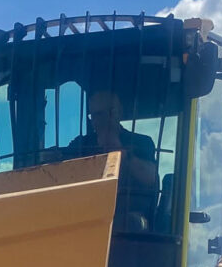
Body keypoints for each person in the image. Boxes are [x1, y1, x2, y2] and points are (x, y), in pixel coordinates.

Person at [64, 90, 158, 225]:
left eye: (99, 114)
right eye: (92, 116)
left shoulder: (141, 142)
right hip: (85, 211)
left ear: (117, 113)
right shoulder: (80, 144)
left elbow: (151, 178)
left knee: (132, 223)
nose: (95, 120)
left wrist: (124, 155)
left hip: (128, 216)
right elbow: (63, 170)